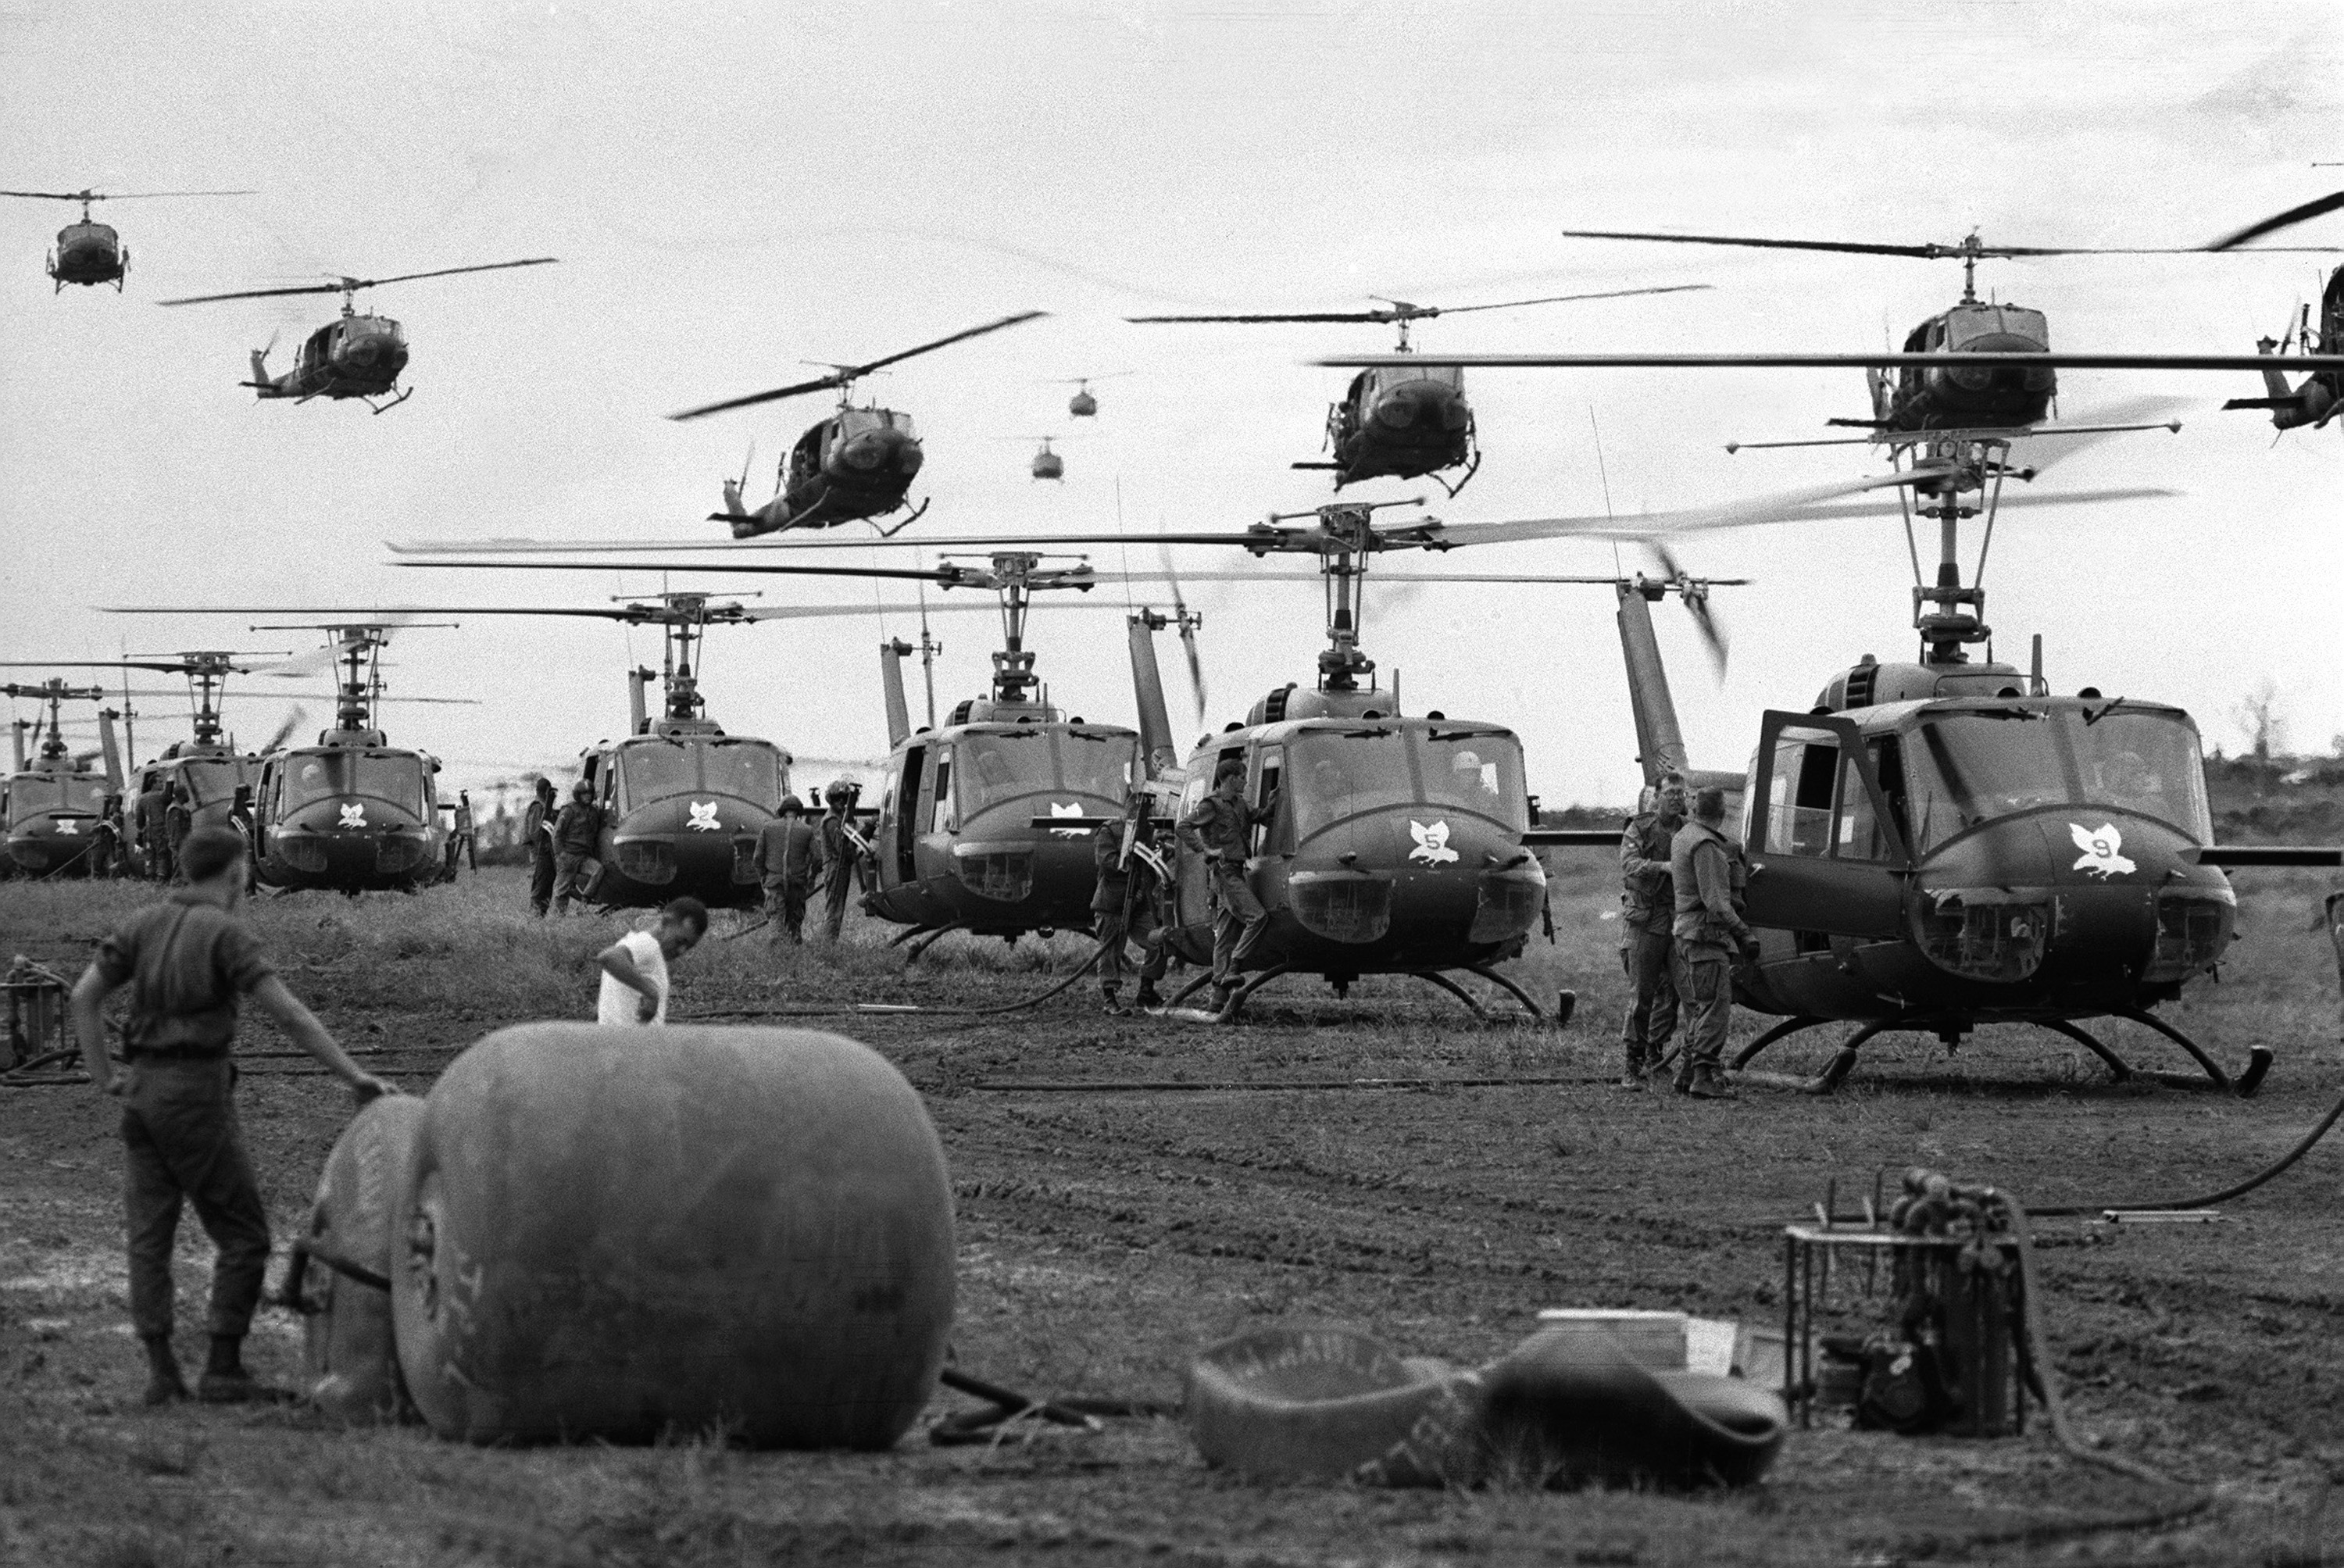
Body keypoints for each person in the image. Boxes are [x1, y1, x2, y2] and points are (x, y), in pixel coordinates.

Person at [68, 825, 395, 1406]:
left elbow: (84, 996)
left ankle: (162, 1370)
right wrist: (355, 1076)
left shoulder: (142, 924)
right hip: (194, 1094)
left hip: (141, 1093)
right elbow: (289, 1015)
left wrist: (105, 1077)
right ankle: (222, 1366)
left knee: (150, 1237)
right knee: (244, 1234)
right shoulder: (224, 932)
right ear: (236, 871)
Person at [1668, 786, 1757, 1100]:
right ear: (1723, 813)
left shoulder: (1684, 836)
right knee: (1714, 1007)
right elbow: (1717, 903)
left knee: (1703, 1004)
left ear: (1695, 810)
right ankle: (1704, 1076)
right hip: (1706, 935)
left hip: (1688, 933)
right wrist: (1744, 933)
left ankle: (1688, 1072)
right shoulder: (1707, 845)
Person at [1178, 760, 1277, 1013]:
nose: (1245, 782)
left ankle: (1217, 999)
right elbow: (1183, 827)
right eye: (1242, 777)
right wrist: (1205, 849)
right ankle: (1234, 966)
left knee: (1223, 937)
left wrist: (1273, 802)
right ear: (1230, 779)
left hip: (1236, 872)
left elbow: (1257, 816)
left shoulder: (1240, 804)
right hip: (1225, 875)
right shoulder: (1211, 805)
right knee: (1257, 918)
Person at [1615, 771, 1688, 1091]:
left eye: (1681, 793)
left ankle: (1656, 1054)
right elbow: (1629, 865)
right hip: (1646, 921)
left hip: (1679, 921)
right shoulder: (1640, 827)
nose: (1676, 798)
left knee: (1679, 993)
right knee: (1642, 994)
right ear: (1656, 797)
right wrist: (1663, 867)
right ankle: (1632, 1063)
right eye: (1670, 792)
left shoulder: (1689, 831)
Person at [1092, 790, 1169, 1014]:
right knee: (1110, 952)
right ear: (1129, 809)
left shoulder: (1148, 832)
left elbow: (1153, 864)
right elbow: (1106, 862)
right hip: (1112, 903)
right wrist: (1133, 859)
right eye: (1139, 810)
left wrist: (1158, 850)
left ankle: (1146, 991)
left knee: (1159, 940)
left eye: (1147, 812)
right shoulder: (1109, 831)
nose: (1143, 816)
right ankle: (1110, 1000)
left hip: (1139, 902)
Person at [595, 898, 709, 1024]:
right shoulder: (648, 944)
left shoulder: (646, 949)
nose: (681, 951)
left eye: (688, 947)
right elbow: (609, 957)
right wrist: (651, 993)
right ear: (667, 922)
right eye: (680, 941)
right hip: (629, 1042)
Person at [756, 796, 822, 944]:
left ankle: (776, 958)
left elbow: (757, 858)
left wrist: (764, 879)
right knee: (795, 927)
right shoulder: (807, 830)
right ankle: (794, 957)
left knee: (776, 924)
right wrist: (811, 878)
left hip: (774, 882)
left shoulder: (768, 828)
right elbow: (818, 858)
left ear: (782, 811)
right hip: (797, 883)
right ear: (798, 812)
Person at [816, 782, 867, 941]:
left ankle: (830, 942)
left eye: (844, 799)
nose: (842, 802)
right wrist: (865, 831)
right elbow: (843, 849)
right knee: (834, 908)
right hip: (835, 867)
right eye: (838, 799)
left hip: (840, 867)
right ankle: (828, 944)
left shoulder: (839, 818)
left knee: (837, 907)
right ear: (832, 800)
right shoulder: (832, 820)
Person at [552, 780, 602, 914]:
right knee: (562, 889)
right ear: (577, 795)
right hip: (568, 856)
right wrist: (560, 855)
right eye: (584, 794)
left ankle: (583, 904)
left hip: (584, 857)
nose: (588, 797)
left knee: (598, 871)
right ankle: (558, 918)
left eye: (590, 794)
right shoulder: (569, 811)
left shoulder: (594, 812)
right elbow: (557, 834)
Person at [523, 777, 558, 916]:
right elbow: (534, 832)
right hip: (540, 853)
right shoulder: (538, 807)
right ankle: (535, 914)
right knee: (541, 885)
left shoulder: (543, 806)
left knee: (547, 883)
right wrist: (543, 848)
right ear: (546, 791)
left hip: (545, 852)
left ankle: (540, 914)